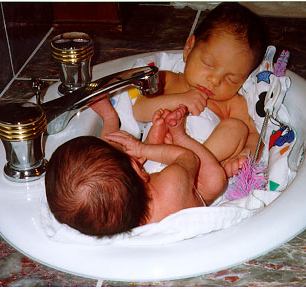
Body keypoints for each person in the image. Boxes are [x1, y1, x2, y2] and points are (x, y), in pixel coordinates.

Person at [45, 99, 226, 237]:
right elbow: (187, 157)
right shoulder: (172, 181)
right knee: (216, 179)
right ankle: (179, 136)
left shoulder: (116, 219)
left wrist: (145, 150)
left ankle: (110, 118)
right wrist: (144, 148)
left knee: (104, 168)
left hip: (151, 195)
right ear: (136, 166)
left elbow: (110, 173)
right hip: (197, 196)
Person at [132, 2, 267, 178]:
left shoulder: (232, 103)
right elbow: (138, 110)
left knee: (237, 127)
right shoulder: (168, 80)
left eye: (231, 79)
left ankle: (195, 164)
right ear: (189, 48)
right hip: (154, 164)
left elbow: (255, 135)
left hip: (200, 174)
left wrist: (244, 154)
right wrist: (180, 99)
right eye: (208, 64)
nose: (215, 80)